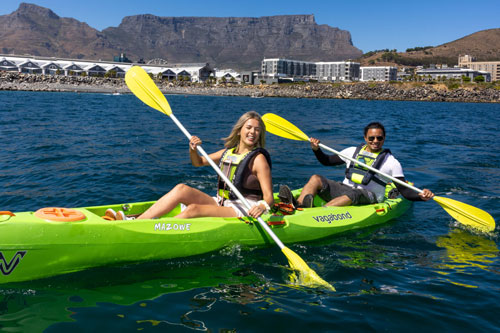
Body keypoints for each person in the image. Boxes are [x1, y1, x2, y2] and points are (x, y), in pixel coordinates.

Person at [107, 111, 274, 220]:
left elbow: (269, 197)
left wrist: (262, 207)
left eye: (257, 130)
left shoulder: (258, 159)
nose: (252, 132)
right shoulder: (227, 152)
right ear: (239, 130)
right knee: (181, 189)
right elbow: (198, 162)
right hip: (222, 202)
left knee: (194, 209)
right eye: (249, 127)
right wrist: (192, 149)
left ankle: (150, 230)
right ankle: (138, 221)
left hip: (243, 209)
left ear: (260, 134)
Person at [278, 122, 434, 208]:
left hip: (370, 197)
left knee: (355, 193)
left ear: (384, 138)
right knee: (316, 178)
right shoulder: (352, 151)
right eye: (371, 138)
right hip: (344, 189)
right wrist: (316, 149)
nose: (375, 141)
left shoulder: (392, 162)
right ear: (365, 138)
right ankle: (296, 205)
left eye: (379, 138)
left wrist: (420, 196)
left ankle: (321, 213)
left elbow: (405, 191)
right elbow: (326, 161)